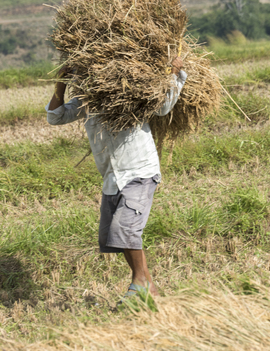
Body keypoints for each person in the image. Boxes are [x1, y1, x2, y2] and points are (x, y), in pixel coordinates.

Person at [45, 57, 186, 299]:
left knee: (125, 229)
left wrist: (175, 74)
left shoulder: (132, 92)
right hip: (112, 177)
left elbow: (163, 107)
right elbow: (55, 117)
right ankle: (149, 285)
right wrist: (61, 83)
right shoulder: (87, 102)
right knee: (114, 235)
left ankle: (139, 282)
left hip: (140, 170)